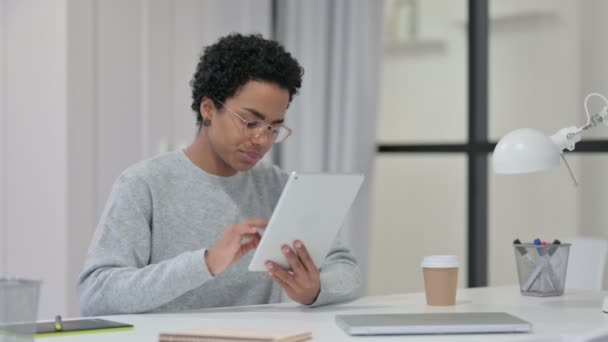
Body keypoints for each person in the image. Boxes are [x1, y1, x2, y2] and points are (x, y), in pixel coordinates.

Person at [78, 33, 361, 316]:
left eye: (273, 128)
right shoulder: (144, 184)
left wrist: (316, 289)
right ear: (208, 109)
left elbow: (346, 270)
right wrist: (206, 263)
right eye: (250, 122)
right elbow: (97, 294)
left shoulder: (278, 187)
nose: (262, 140)